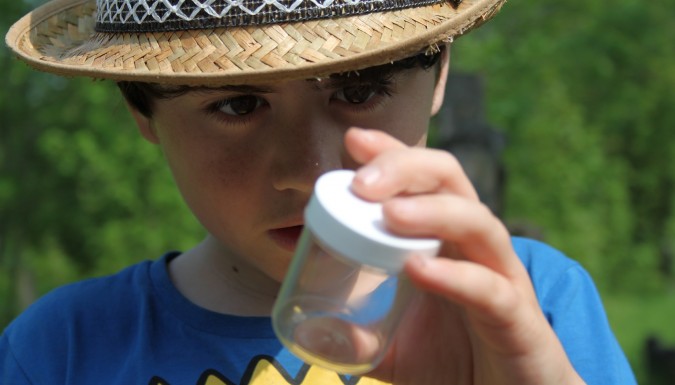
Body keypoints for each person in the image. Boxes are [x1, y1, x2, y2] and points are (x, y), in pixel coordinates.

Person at [2, 0, 636, 384]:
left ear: (440, 71)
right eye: (237, 102)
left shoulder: (525, 305)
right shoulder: (59, 352)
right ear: (141, 110)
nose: (310, 172)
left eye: (359, 92)